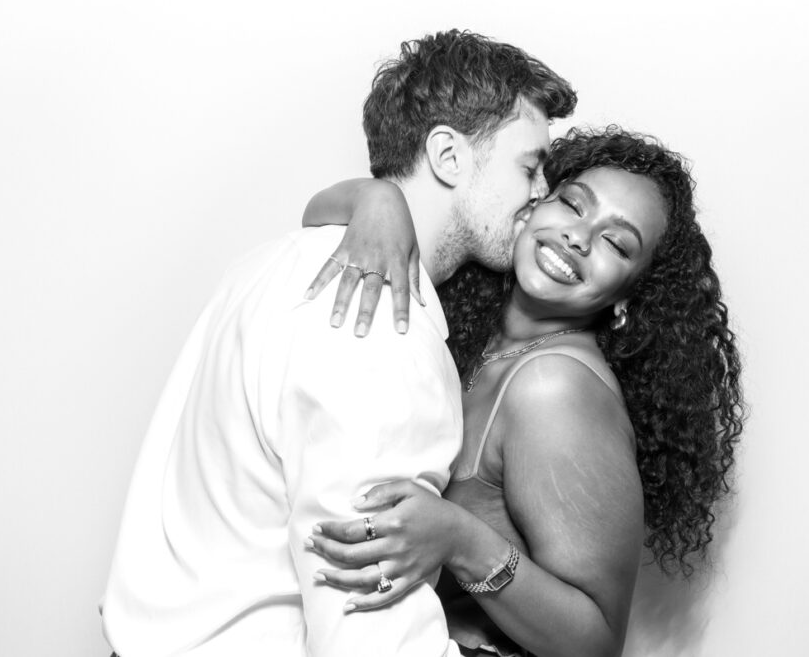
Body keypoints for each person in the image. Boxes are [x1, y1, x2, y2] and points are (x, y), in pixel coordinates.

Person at [99, 30, 576, 656]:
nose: (543, 191)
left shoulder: (270, 264)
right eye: (529, 165)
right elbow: (370, 627)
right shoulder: (380, 323)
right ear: (449, 156)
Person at [301, 127, 745, 657]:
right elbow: (314, 215)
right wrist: (379, 200)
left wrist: (460, 541)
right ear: (534, 206)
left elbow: (596, 643)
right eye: (573, 205)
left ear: (628, 297)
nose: (579, 237)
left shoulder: (553, 386)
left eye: (615, 242)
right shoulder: (475, 331)